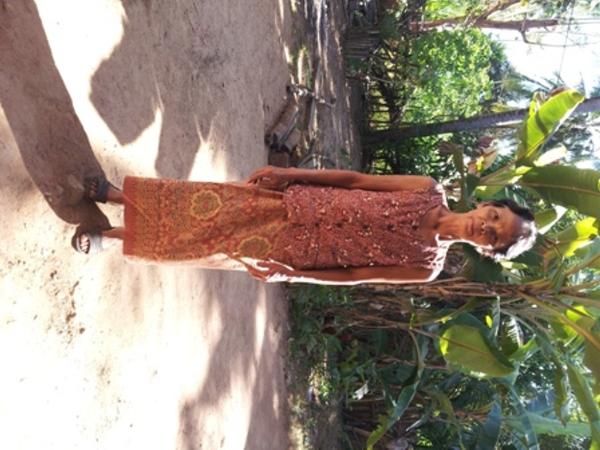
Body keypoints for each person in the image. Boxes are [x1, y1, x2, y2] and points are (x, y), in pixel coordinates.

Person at [72, 166, 537, 285]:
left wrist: (294, 275)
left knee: (204, 244)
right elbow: (356, 181)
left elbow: (356, 275)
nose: (485, 227)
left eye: (494, 237)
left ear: (487, 251)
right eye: (494, 217)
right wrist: (289, 173)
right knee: (201, 202)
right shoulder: (426, 188)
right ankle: (114, 195)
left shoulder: (426, 266)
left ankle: (108, 238)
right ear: (487, 205)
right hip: (294, 203)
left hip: (293, 248)